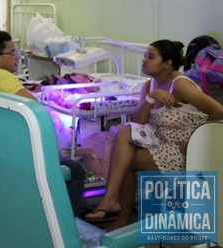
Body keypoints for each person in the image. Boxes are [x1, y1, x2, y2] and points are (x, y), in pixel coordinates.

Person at [85, 40, 223, 230]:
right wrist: (152, 97)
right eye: (145, 56)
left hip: (184, 150)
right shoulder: (149, 85)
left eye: (151, 57)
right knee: (125, 130)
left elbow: (218, 111)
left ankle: (117, 211)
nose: (144, 61)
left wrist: (194, 140)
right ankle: (113, 203)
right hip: (159, 143)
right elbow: (138, 123)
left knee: (125, 162)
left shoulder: (180, 85)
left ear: (167, 63)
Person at [0, 30, 86, 218]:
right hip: (17, 153)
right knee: (76, 170)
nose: (18, 57)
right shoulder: (4, 77)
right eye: (13, 53)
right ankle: (67, 223)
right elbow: (37, 110)